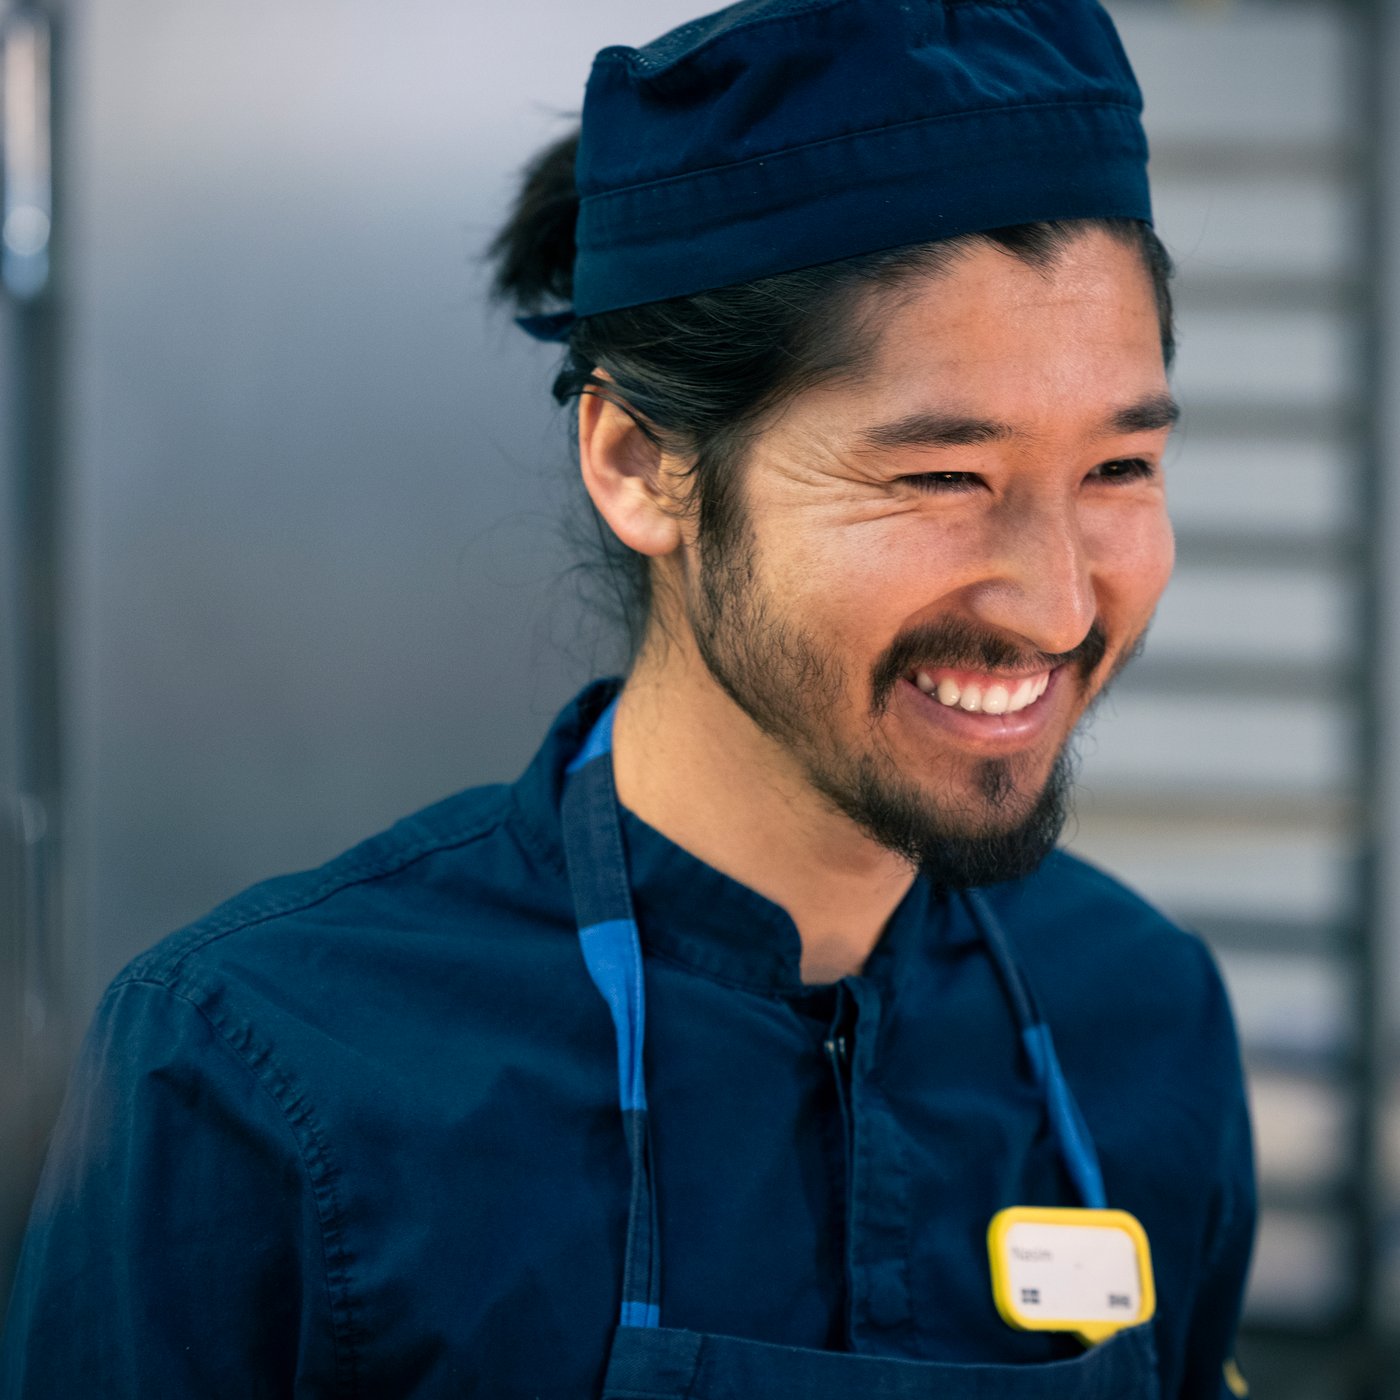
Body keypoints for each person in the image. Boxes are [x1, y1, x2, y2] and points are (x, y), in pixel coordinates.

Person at [1, 1, 1256, 1396]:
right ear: (642, 462)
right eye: (941, 478)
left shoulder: (1143, 1016)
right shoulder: (258, 1073)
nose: (1061, 603)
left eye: (1119, 472)